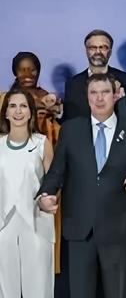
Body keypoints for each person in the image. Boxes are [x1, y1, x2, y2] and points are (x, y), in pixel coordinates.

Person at [37, 72, 126, 298]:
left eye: (105, 92)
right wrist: (45, 195)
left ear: (116, 95)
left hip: (118, 231)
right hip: (79, 230)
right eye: (94, 93)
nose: (99, 98)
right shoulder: (71, 130)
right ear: (87, 97)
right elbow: (56, 172)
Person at [0, 51, 64, 273]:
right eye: (22, 69)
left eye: (32, 69)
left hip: (37, 170)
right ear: (14, 72)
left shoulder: (50, 98)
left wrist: (56, 111)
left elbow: (55, 135)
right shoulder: (4, 99)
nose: (27, 74)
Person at [0, 89, 55, 297]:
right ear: (5, 112)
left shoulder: (42, 143)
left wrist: (49, 200)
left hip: (37, 224)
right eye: (12, 106)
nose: (18, 111)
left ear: (31, 112)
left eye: (23, 106)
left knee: (39, 288)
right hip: (3, 228)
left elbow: (53, 181)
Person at [63, 29, 126, 121]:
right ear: (86, 51)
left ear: (110, 52)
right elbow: (68, 118)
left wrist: (120, 102)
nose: (98, 52)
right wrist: (59, 113)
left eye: (103, 47)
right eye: (92, 48)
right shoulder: (72, 83)